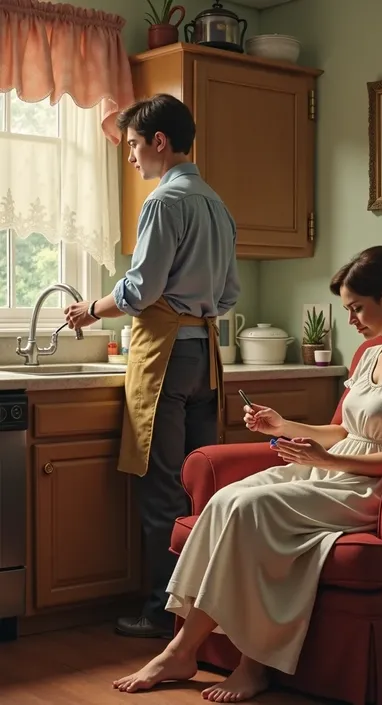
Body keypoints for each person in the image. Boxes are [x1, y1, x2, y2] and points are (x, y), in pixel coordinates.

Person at [112, 245, 382, 702]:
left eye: (356, 308)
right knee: (226, 499)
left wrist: (327, 461)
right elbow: (342, 430)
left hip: (368, 485)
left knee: (253, 509)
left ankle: (253, 665)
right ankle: (182, 649)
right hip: (329, 468)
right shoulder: (369, 356)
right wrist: (283, 425)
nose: (351, 320)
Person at [64, 94, 240, 639]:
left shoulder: (165, 202)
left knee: (162, 486)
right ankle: (202, 612)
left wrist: (92, 309)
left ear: (159, 142)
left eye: (136, 146)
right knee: (200, 484)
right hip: (204, 357)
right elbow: (228, 295)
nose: (133, 158)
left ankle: (163, 612)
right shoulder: (216, 204)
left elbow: (142, 289)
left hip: (165, 357)